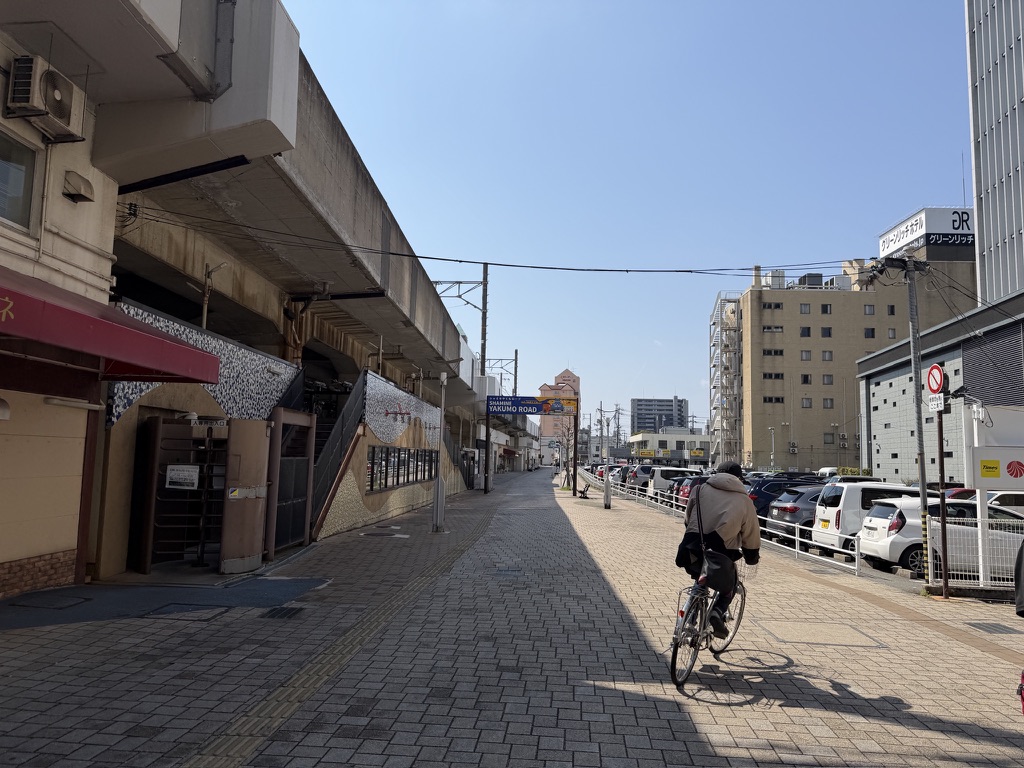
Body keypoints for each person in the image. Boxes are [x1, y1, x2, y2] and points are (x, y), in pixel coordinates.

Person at [676, 460, 761, 638]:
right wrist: (751, 556)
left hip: (691, 548)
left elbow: (688, 518)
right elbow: (751, 534)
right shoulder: (744, 501)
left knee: (700, 580)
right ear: (739, 479)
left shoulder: (698, 489)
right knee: (730, 585)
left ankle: (687, 623)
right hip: (720, 553)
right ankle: (717, 612)